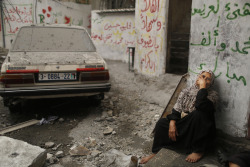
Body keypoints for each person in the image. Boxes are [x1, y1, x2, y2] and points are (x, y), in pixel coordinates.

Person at [140, 70, 219, 164]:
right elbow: (176, 110)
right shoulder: (186, 91)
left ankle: (198, 151)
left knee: (200, 113)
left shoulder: (213, 96)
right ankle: (157, 152)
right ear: (198, 78)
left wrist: (202, 88)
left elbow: (200, 105)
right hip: (185, 123)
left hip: (198, 128)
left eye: (208, 79)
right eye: (202, 77)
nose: (204, 80)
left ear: (211, 82)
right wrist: (172, 123)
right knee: (162, 124)